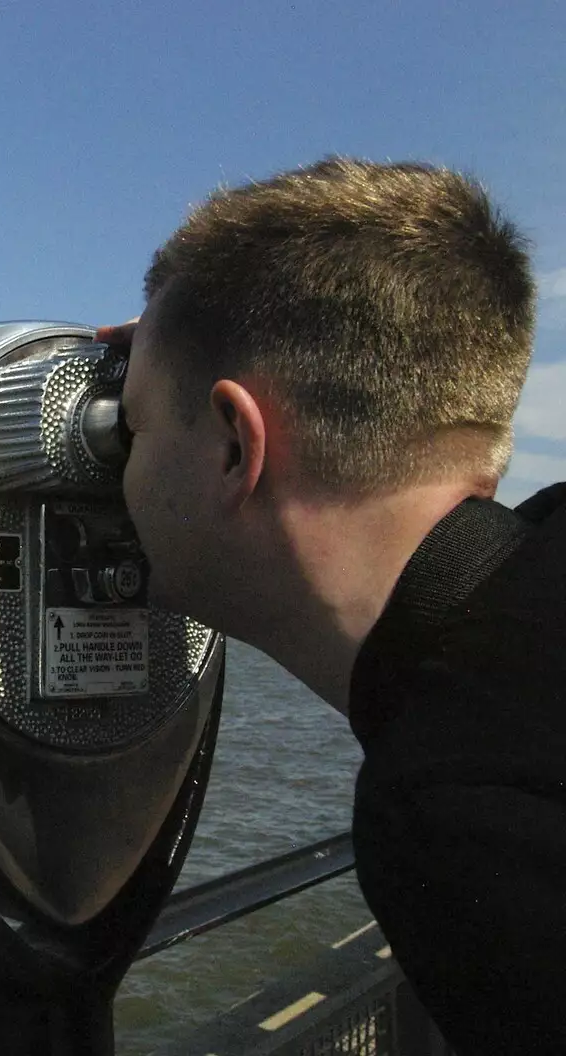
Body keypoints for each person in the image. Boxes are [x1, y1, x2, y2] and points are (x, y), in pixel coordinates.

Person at [95, 157, 564, 1055]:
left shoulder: (458, 810)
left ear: (235, 447)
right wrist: (170, 352)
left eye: (136, 425)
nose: (120, 470)